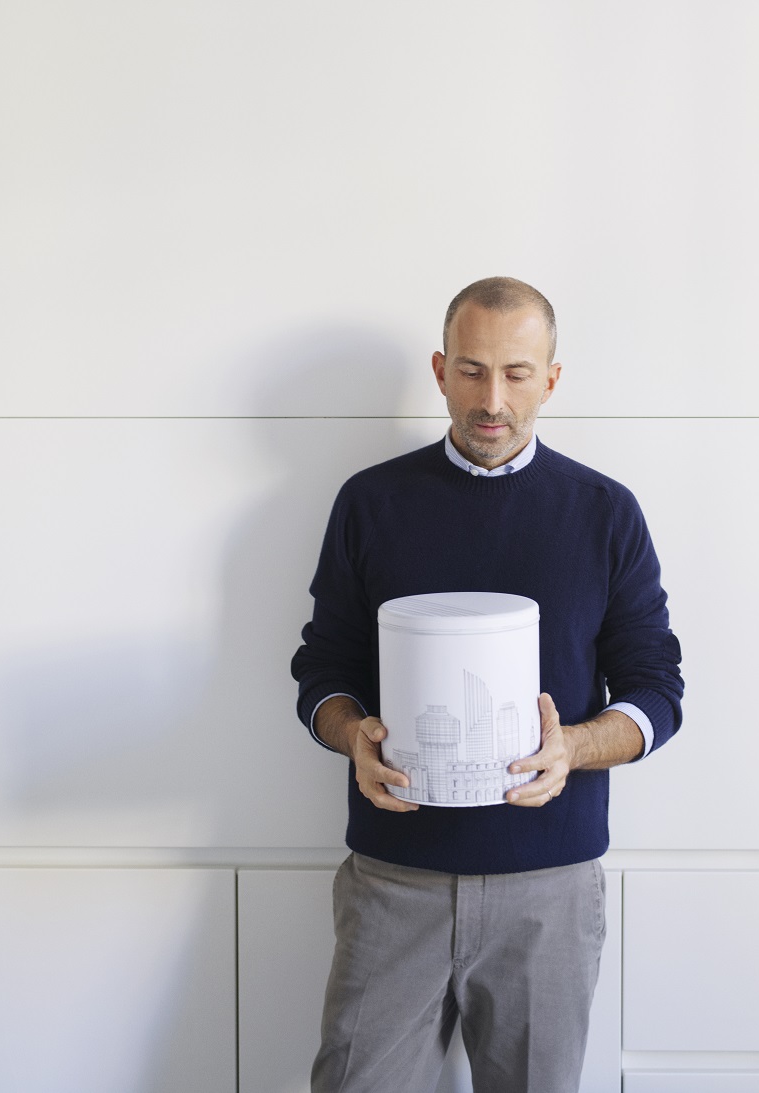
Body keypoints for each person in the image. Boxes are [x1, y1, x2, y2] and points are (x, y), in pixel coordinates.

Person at [291, 277, 683, 1093]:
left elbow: (656, 688)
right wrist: (352, 734)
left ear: (552, 379)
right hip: (393, 881)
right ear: (440, 370)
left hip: (549, 892)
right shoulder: (369, 503)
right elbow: (323, 668)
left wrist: (575, 747)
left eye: (516, 372)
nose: (492, 399)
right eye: (471, 370)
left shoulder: (605, 512)